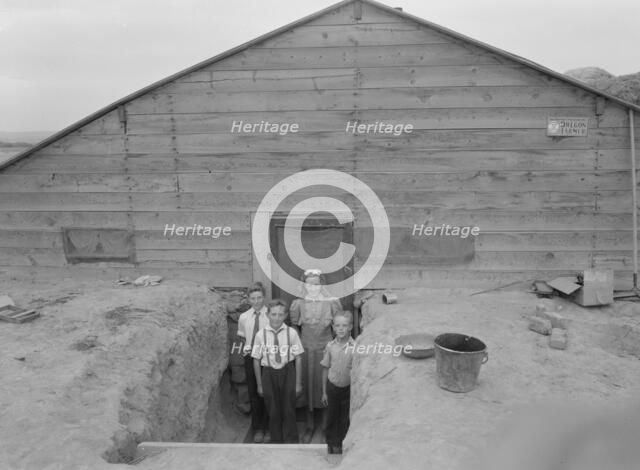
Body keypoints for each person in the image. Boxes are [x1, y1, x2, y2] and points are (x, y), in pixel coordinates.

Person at [289, 268, 343, 443]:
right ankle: (310, 424)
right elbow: (294, 327)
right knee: (307, 385)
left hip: (325, 349)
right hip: (306, 352)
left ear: (322, 285)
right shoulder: (298, 303)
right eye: (309, 284)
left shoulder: (331, 303)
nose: (313, 287)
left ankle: (327, 424)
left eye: (316, 284)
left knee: (326, 386)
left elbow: (338, 326)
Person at [253, 299, 304, 444]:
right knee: (273, 410)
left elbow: (299, 358)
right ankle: (276, 441)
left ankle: (291, 440)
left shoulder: (292, 333)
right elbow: (256, 360)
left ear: (285, 315)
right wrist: (259, 385)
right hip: (268, 373)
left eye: (280, 315)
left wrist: (298, 383)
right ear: (267, 315)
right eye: (273, 314)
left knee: (288, 408)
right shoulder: (260, 335)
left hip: (288, 371)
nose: (277, 318)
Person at [237, 282, 269, 443]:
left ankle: (269, 427)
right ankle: (257, 428)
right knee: (255, 393)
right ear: (248, 300)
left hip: (268, 358)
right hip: (251, 357)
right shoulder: (244, 317)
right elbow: (243, 337)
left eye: (259, 297)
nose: (257, 301)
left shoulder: (270, 315)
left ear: (264, 298)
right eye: (253, 298)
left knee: (269, 392)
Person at [321, 312, 355, 454]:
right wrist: (324, 392)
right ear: (333, 328)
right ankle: (330, 443)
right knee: (331, 416)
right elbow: (325, 368)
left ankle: (342, 444)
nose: (341, 329)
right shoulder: (330, 346)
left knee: (344, 418)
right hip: (332, 387)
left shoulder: (356, 346)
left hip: (348, 389)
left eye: (344, 325)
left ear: (351, 327)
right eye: (337, 326)